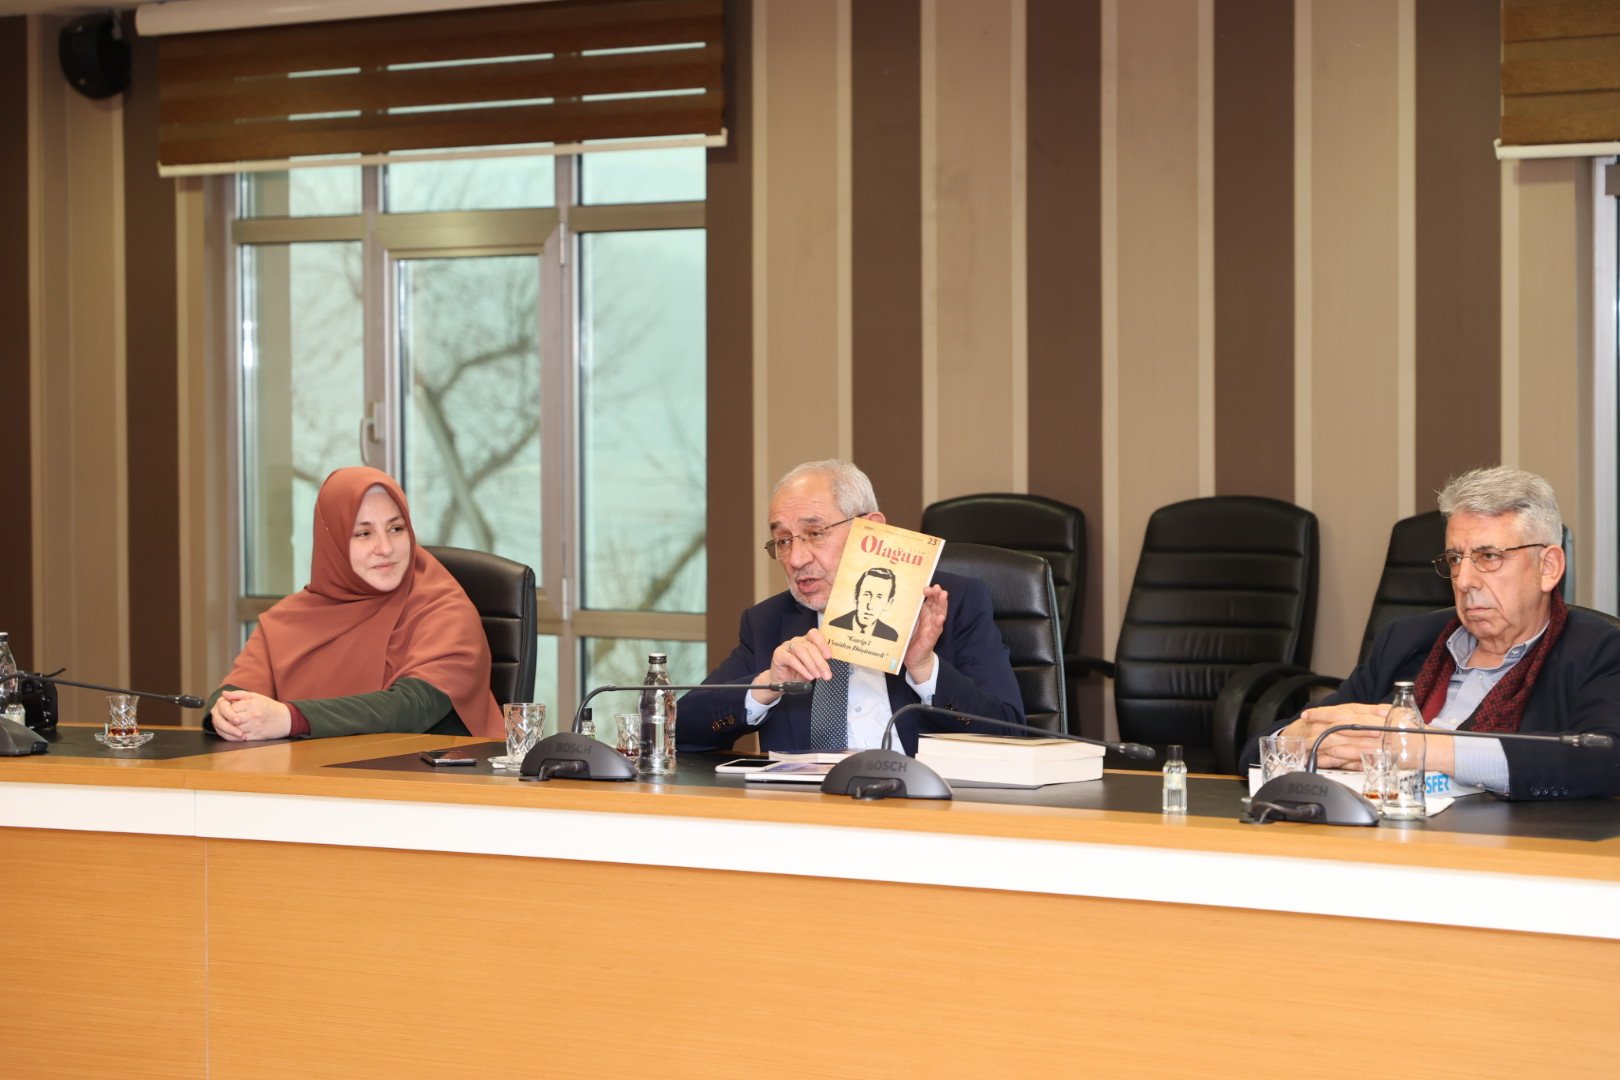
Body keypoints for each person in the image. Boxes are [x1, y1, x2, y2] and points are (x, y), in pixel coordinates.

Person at [1243, 466, 1620, 800]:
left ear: (1548, 567)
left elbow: (1606, 757)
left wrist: (1423, 749)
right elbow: (1254, 755)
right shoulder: (1406, 641)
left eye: (1489, 556)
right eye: (1455, 559)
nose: (1465, 580)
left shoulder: (1599, 649)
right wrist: (1301, 740)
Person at [676, 459, 1024, 755]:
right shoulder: (767, 622)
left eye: (815, 533)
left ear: (870, 530)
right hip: (805, 809)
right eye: (783, 541)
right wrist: (767, 684)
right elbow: (679, 732)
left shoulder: (950, 603)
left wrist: (923, 667)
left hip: (922, 805)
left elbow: (1011, 736)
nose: (795, 559)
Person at [207, 466, 503, 741]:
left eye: (396, 529)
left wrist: (290, 719)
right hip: (310, 776)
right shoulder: (286, 620)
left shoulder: (445, 609)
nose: (385, 548)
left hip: (427, 775)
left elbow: (412, 707)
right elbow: (234, 690)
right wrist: (226, 713)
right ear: (332, 543)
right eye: (363, 533)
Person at [827, 566, 901, 640]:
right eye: (866, 594)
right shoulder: (834, 625)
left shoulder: (891, 636)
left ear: (888, 603)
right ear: (856, 596)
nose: (870, 606)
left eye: (879, 597)